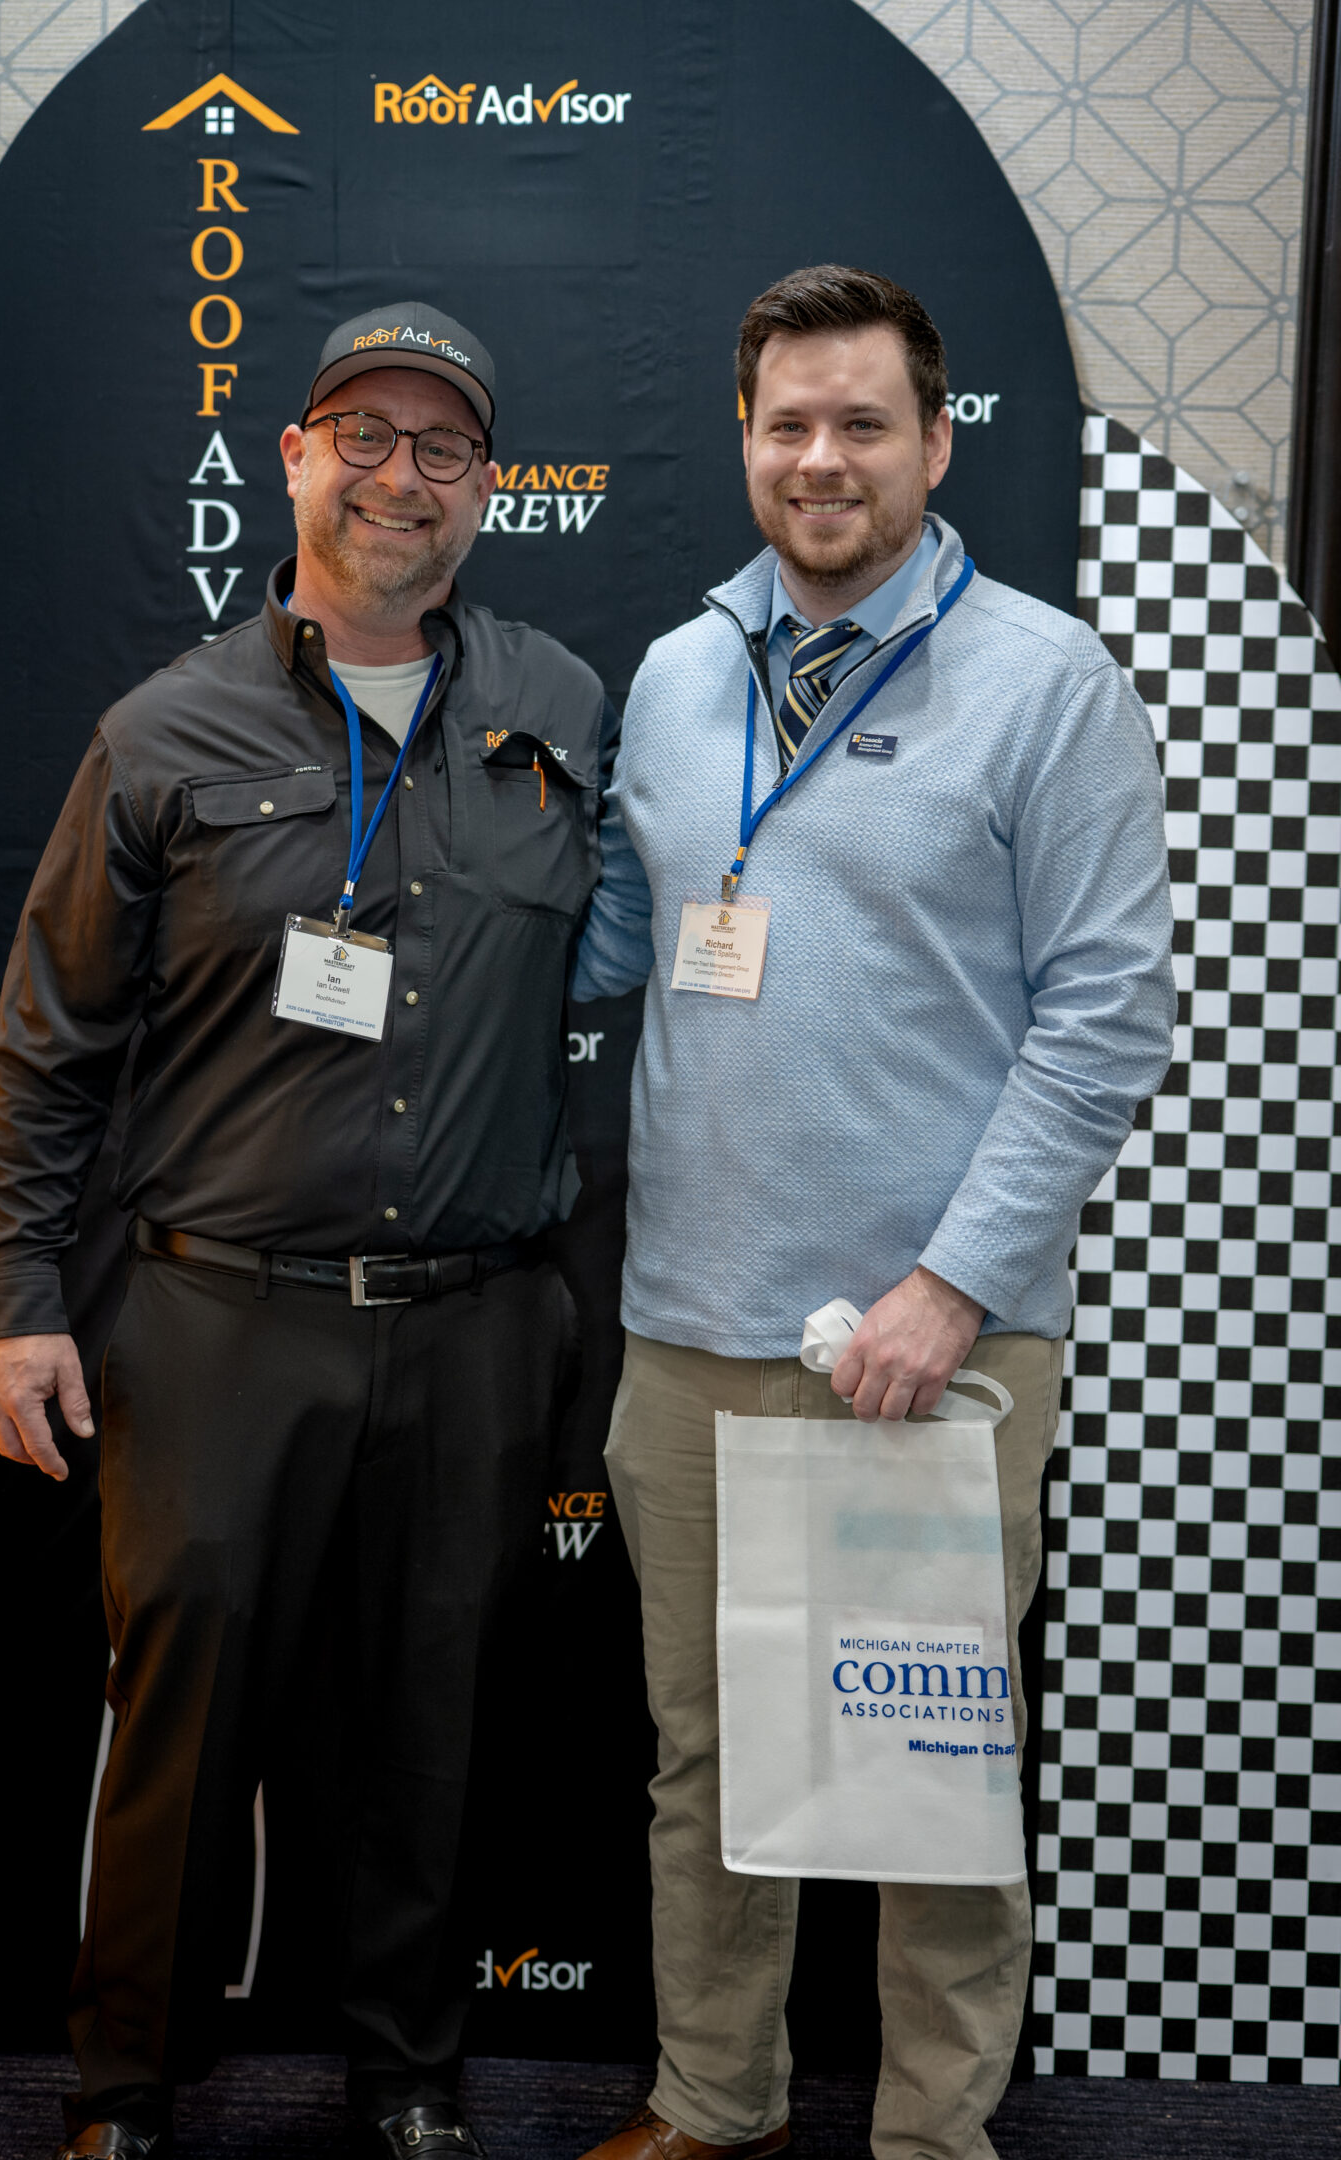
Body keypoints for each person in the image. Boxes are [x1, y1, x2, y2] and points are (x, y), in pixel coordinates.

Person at [0, 301, 613, 2160]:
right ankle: (121, 2088)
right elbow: (45, 1042)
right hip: (216, 1323)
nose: (401, 475)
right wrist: (21, 1307)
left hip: (480, 1320)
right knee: (183, 1725)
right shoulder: (165, 730)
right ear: (296, 458)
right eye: (366, 434)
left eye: (444, 448)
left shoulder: (562, 709)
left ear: (489, 486)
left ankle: (410, 2075)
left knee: (433, 1719)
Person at [570, 265, 1175, 2160]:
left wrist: (949, 1284)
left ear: (932, 438)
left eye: (861, 424)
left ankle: (932, 2135)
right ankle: (714, 2099)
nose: (819, 459)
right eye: (786, 425)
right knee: (708, 1759)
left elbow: (1106, 1020)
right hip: (687, 1330)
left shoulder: (1047, 679)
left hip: (933, 1346)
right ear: (745, 442)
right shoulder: (679, 675)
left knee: (926, 1781)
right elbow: (609, 941)